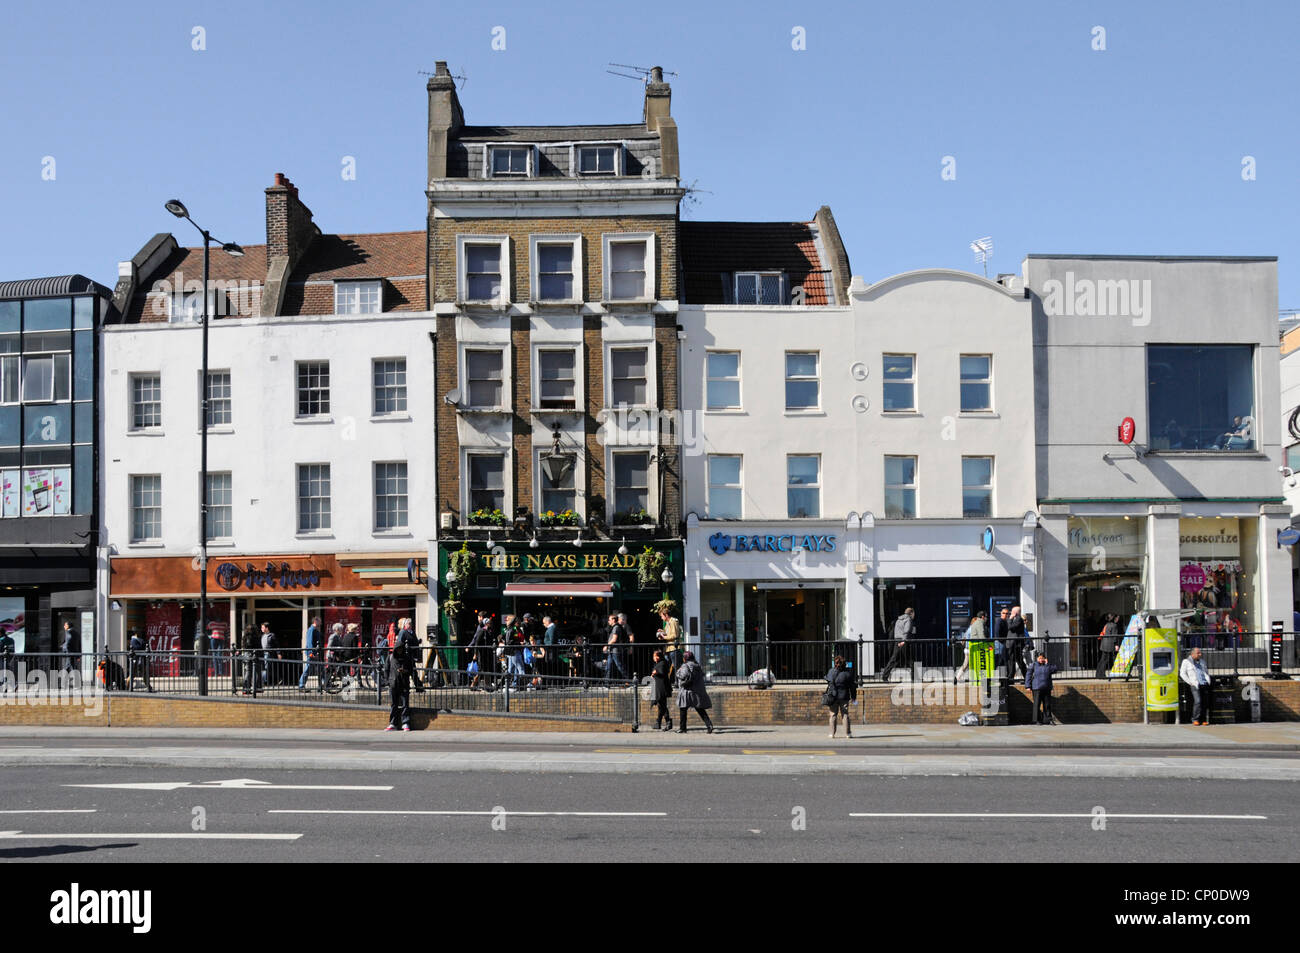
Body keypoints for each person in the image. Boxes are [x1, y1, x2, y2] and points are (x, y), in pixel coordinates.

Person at [385, 627, 424, 732]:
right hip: (393, 684)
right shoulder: (390, 658)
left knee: (405, 704)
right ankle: (393, 723)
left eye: (401, 648)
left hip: (404, 683)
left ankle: (405, 723)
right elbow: (386, 670)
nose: (399, 650)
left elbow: (411, 670)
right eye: (398, 649)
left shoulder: (407, 658)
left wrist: (405, 671)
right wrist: (388, 681)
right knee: (394, 705)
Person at [673, 650, 714, 733]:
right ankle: (709, 725)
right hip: (696, 690)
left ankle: (682, 728)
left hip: (687, 691)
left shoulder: (685, 666)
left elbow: (682, 675)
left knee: (683, 709)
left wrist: (678, 672)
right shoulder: (697, 665)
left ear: (685, 658)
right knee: (700, 708)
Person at [824, 655, 856, 738]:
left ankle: (832, 734)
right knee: (845, 714)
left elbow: (828, 682)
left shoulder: (831, 672)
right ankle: (847, 733)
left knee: (833, 714)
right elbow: (852, 687)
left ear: (835, 663)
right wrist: (853, 697)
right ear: (844, 664)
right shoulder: (847, 674)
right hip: (844, 696)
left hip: (833, 697)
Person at [880, 608, 915, 682]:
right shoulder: (908, 619)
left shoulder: (898, 620)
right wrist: (903, 641)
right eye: (914, 613)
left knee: (894, 659)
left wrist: (897, 640)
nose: (914, 615)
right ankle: (914, 677)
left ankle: (885, 676)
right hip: (903, 641)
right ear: (911, 613)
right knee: (910, 659)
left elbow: (896, 631)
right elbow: (906, 631)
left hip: (897, 641)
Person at [1180, 646, 1212, 725]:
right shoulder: (1186, 662)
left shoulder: (1202, 662)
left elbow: (1206, 672)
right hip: (1195, 684)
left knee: (1205, 702)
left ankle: (1203, 719)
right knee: (1198, 701)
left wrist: (1208, 680)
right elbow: (1182, 673)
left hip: (1204, 683)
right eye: (1198, 653)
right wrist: (1190, 682)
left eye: (1200, 653)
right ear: (1192, 654)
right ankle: (1195, 719)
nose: (1200, 654)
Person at [1026, 649, 1059, 725]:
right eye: (1040, 658)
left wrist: (1048, 664)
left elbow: (1055, 669)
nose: (1041, 660)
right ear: (1037, 659)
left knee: (1047, 704)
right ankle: (1037, 720)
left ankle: (1048, 719)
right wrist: (1028, 686)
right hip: (1036, 688)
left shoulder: (1048, 665)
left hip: (1046, 687)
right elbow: (1028, 675)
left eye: (1042, 658)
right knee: (1036, 704)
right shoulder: (1033, 665)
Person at [955, 611, 987, 682]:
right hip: (970, 648)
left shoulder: (969, 628)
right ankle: (957, 677)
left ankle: (965, 677)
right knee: (966, 664)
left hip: (968, 648)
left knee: (969, 664)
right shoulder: (972, 628)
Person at [649, 649, 673, 730]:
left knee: (662, 706)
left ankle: (668, 722)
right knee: (661, 705)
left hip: (661, 688)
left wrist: (656, 672)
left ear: (658, 657)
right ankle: (658, 723)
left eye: (655, 656)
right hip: (660, 688)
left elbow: (662, 672)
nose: (654, 658)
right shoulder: (660, 663)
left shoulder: (662, 663)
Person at [298, 616, 323, 691]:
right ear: (315, 621)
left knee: (320, 668)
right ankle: (301, 685)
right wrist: (311, 653)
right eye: (319, 621)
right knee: (308, 669)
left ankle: (324, 684)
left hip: (315, 653)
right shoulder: (311, 630)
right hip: (312, 654)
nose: (321, 623)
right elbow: (309, 642)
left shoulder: (315, 630)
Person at [127, 628, 154, 693]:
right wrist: (143, 644)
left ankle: (149, 687)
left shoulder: (141, 640)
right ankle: (128, 686)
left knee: (145, 674)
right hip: (135, 660)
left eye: (140, 632)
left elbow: (146, 648)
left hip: (142, 660)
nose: (140, 633)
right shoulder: (133, 640)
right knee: (132, 674)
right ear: (135, 633)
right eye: (138, 632)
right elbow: (137, 648)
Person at [1005, 606, 1028, 682]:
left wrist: (1010, 619)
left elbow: (1011, 627)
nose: (1010, 613)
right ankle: (1024, 677)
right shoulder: (1016, 619)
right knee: (1017, 660)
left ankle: (1012, 677)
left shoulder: (1018, 619)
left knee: (1016, 660)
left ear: (1015, 613)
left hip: (1016, 644)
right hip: (1013, 644)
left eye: (1012, 611)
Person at [604, 613, 627, 682]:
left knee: (619, 666)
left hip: (615, 651)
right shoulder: (615, 627)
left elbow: (614, 639)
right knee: (608, 667)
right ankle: (606, 683)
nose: (608, 621)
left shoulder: (616, 627)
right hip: (612, 650)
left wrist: (607, 646)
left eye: (609, 620)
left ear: (614, 620)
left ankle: (628, 681)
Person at [1096, 613, 1120, 679]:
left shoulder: (1107, 624)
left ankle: (1099, 674)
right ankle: (1103, 675)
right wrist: (1116, 645)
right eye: (1117, 618)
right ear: (1114, 618)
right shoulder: (1114, 625)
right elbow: (1114, 636)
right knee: (1108, 659)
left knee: (1103, 660)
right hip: (1110, 644)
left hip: (1104, 644)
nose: (1118, 619)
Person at [238, 623, 259, 695]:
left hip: (247, 655)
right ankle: (248, 688)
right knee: (251, 672)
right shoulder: (251, 637)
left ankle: (247, 688)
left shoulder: (245, 636)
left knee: (249, 672)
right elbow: (250, 645)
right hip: (251, 655)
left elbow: (244, 646)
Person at [259, 622, 278, 686]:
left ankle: (265, 681)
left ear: (267, 628)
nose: (261, 629)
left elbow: (276, 645)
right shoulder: (262, 635)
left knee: (267, 668)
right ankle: (265, 681)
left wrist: (279, 653)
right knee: (265, 668)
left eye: (263, 627)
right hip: (263, 653)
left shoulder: (271, 635)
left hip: (268, 653)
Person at [0, 625, 16, 693]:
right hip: (11, 658)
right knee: (9, 673)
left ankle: (4, 686)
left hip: (2, 658)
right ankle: (13, 685)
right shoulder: (11, 639)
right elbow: (12, 649)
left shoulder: (1, 640)